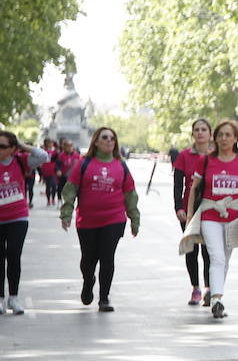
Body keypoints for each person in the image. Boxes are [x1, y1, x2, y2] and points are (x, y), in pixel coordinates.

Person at [59, 127, 139, 311]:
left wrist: (135, 219)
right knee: (88, 260)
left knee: (107, 257)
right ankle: (88, 282)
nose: (109, 141)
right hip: (87, 221)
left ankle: (104, 298)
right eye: (105, 137)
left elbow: (130, 194)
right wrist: (66, 213)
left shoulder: (121, 165)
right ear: (96, 142)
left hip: (114, 219)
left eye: (112, 138)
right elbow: (70, 189)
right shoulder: (84, 163)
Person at [186, 120, 238, 319]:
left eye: (228, 135)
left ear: (235, 139)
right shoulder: (206, 161)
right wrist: (191, 216)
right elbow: (193, 190)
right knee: (216, 257)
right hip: (210, 215)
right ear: (215, 138)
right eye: (220, 135)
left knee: (224, 260)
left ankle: (217, 297)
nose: (223, 138)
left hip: (234, 218)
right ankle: (217, 298)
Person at [0, 131, 49, 314]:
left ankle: (13, 298)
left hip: (17, 218)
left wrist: (22, 145)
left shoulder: (20, 160)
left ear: (12, 149)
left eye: (3, 146)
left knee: (13, 254)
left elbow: (43, 156)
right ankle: (0, 299)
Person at [173, 119, 214, 306]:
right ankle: (195, 288)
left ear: (210, 134)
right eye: (196, 130)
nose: (200, 133)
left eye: (204, 129)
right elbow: (178, 184)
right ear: (192, 134)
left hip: (210, 209)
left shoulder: (216, 155)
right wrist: (178, 207)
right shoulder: (184, 156)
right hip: (189, 209)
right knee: (192, 249)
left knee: (209, 250)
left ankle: (209, 288)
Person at [39, 139, 60, 206]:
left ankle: (53, 199)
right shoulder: (43, 151)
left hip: (53, 170)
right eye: (49, 143)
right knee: (48, 186)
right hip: (46, 170)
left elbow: (58, 158)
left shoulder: (55, 151)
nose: (50, 144)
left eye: (51, 143)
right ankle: (48, 200)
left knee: (54, 186)